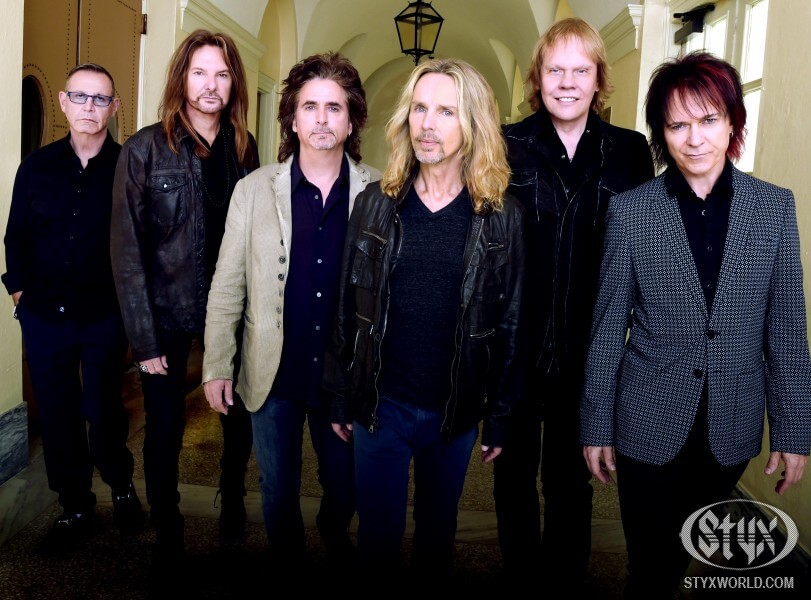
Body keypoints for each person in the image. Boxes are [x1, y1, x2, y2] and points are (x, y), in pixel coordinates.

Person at [581, 51, 811, 599]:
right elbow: (608, 327)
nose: (694, 139)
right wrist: (595, 424)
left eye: (708, 120)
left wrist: (793, 431)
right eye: (677, 125)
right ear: (661, 134)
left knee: (686, 550)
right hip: (645, 419)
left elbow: (786, 332)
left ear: (732, 122)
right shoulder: (631, 212)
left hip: (732, 426)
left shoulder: (774, 209)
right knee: (650, 567)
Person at [323, 57, 525, 582]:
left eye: (445, 111)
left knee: (437, 536)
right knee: (376, 541)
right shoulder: (375, 203)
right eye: (419, 108)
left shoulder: (501, 216)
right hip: (381, 405)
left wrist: (500, 415)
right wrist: (340, 394)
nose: (427, 124)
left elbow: (510, 322)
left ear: (473, 123)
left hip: (452, 411)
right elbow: (345, 305)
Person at [202, 52, 380, 573]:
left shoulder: (380, 193)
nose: (322, 119)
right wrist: (216, 364)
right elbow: (227, 286)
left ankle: (333, 529)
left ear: (352, 121)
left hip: (343, 376)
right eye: (310, 107)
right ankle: (287, 560)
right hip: (272, 371)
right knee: (276, 485)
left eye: (334, 107)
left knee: (344, 483)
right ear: (293, 119)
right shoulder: (253, 190)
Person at [494, 17, 654, 584]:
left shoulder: (630, 153)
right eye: (556, 70)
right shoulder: (505, 144)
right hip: (515, 348)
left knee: (571, 479)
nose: (567, 82)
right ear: (538, 78)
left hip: (589, 351)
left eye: (580, 70)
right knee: (512, 475)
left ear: (599, 79)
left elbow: (644, 252)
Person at [110, 29, 259, 559]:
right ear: (182, 78)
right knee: (165, 427)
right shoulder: (144, 149)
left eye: (222, 74)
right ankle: (167, 519)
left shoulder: (244, 148)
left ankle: (233, 495)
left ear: (234, 82)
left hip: (232, 310)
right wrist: (144, 340)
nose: (210, 84)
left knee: (238, 417)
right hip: (167, 312)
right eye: (200, 72)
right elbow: (126, 252)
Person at [2, 63, 142, 551]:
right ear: (63, 102)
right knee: (58, 412)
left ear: (114, 107)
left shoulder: (129, 168)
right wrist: (19, 293)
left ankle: (120, 484)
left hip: (105, 314)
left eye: (101, 98)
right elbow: (16, 235)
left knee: (103, 408)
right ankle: (75, 504)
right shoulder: (36, 167)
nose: (89, 107)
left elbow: (141, 241)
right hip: (45, 315)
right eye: (80, 96)